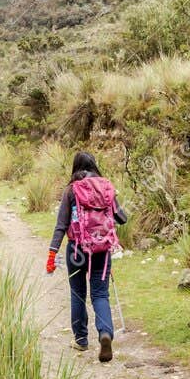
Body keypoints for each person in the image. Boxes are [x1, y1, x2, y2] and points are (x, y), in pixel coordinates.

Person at [46, 151, 127, 362]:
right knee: (100, 294)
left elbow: (61, 226)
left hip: (76, 250)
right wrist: (111, 202)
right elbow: (122, 218)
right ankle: (105, 333)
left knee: (78, 294)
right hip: (102, 249)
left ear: (76, 167)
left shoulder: (71, 191)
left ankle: (81, 340)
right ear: (94, 165)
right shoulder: (106, 187)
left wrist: (52, 254)